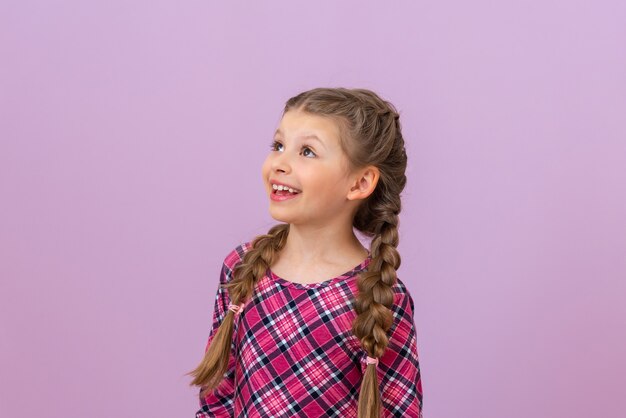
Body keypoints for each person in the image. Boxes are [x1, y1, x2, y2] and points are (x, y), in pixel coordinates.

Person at [187, 87, 423, 417]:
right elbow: (218, 399)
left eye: (307, 152)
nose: (280, 163)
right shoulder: (242, 268)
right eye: (279, 145)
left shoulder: (381, 299)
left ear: (359, 183)